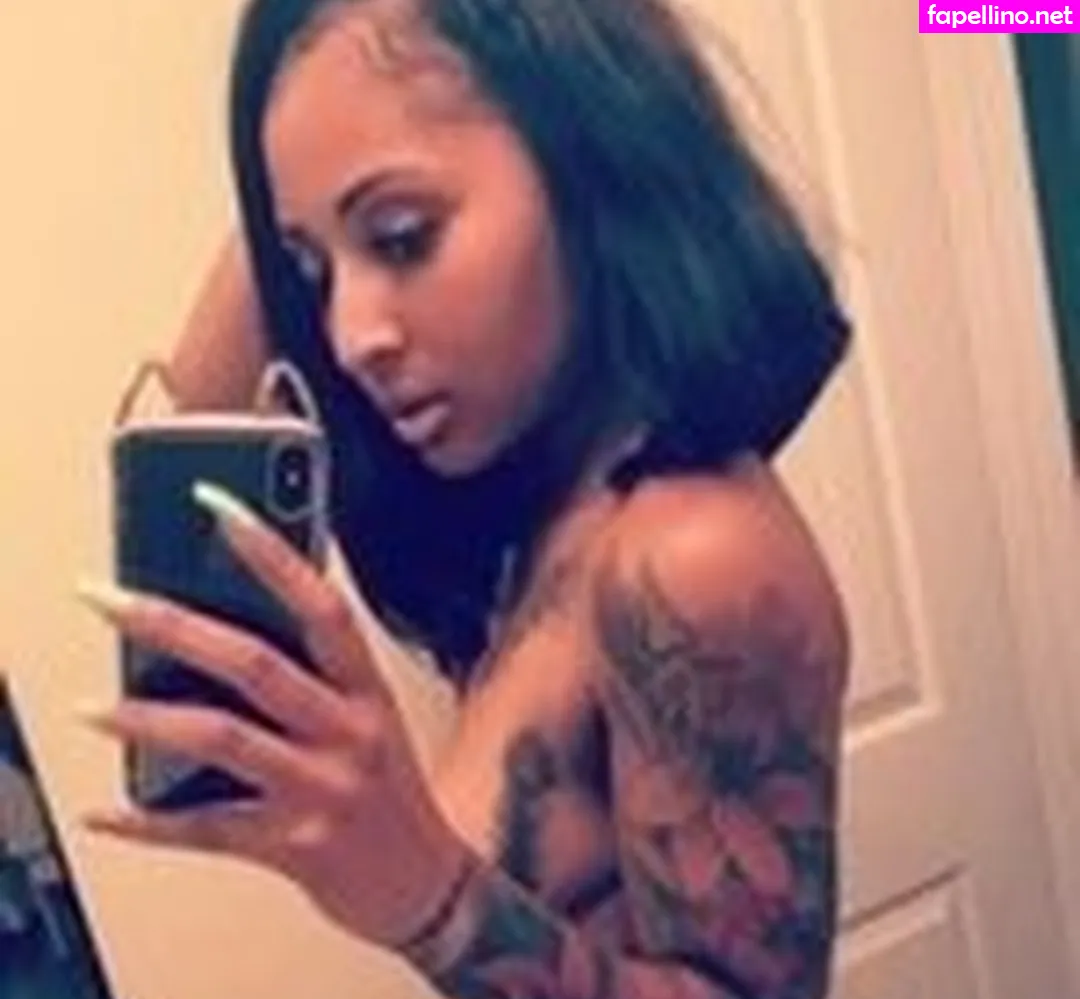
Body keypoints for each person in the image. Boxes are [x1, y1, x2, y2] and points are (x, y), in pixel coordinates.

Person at [79, 0, 853, 996]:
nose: (351, 336)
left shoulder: (696, 557)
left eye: (401, 238)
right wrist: (310, 191)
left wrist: (423, 893)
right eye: (316, 270)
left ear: (594, 162)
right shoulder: (530, 505)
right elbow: (194, 430)